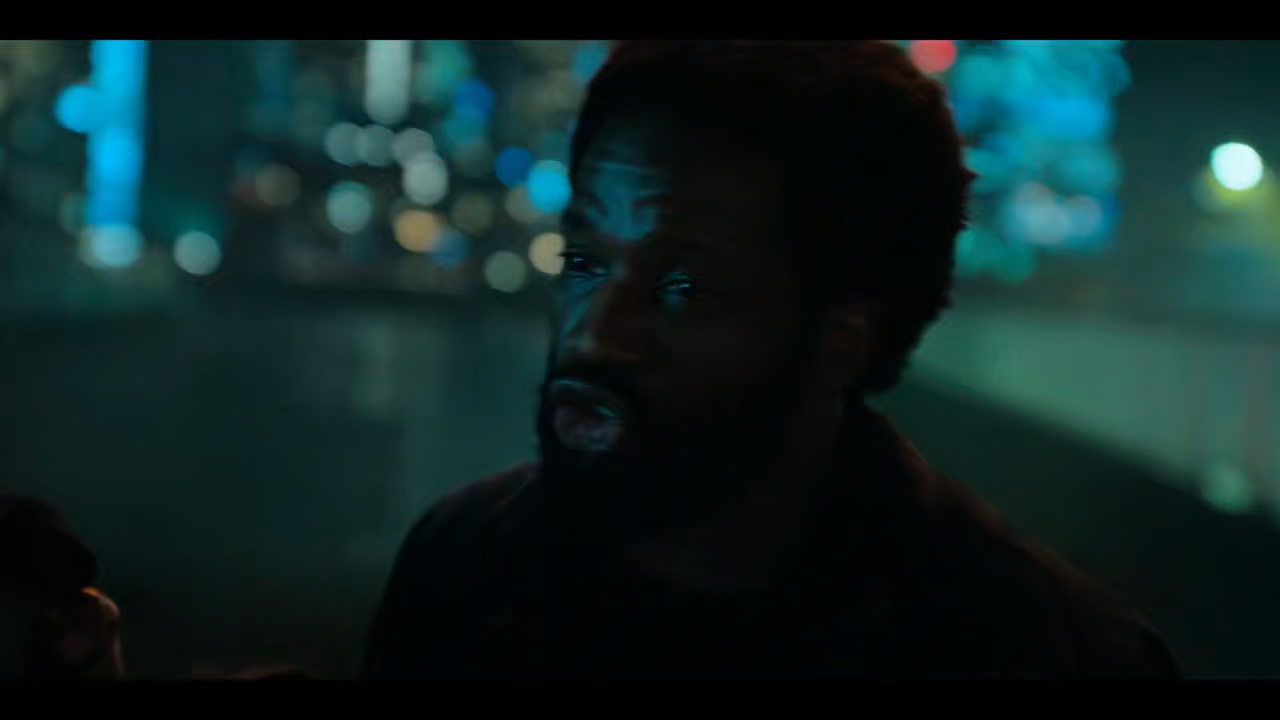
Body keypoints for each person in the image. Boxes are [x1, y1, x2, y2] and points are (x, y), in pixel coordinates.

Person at [360, 40, 1181, 678]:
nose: (597, 335)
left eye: (684, 289)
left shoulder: (1045, 657)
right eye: (583, 261)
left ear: (841, 341)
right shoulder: (463, 565)